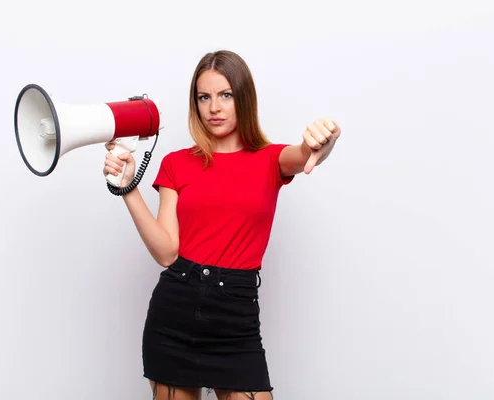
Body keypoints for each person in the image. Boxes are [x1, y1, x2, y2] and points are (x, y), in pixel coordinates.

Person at [103, 50, 341, 400]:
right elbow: (167, 251)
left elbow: (306, 154)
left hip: (236, 316)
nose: (214, 107)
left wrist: (327, 137)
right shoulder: (176, 164)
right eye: (204, 97)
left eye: (225, 95)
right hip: (175, 311)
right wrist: (128, 188)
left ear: (243, 98)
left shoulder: (271, 159)